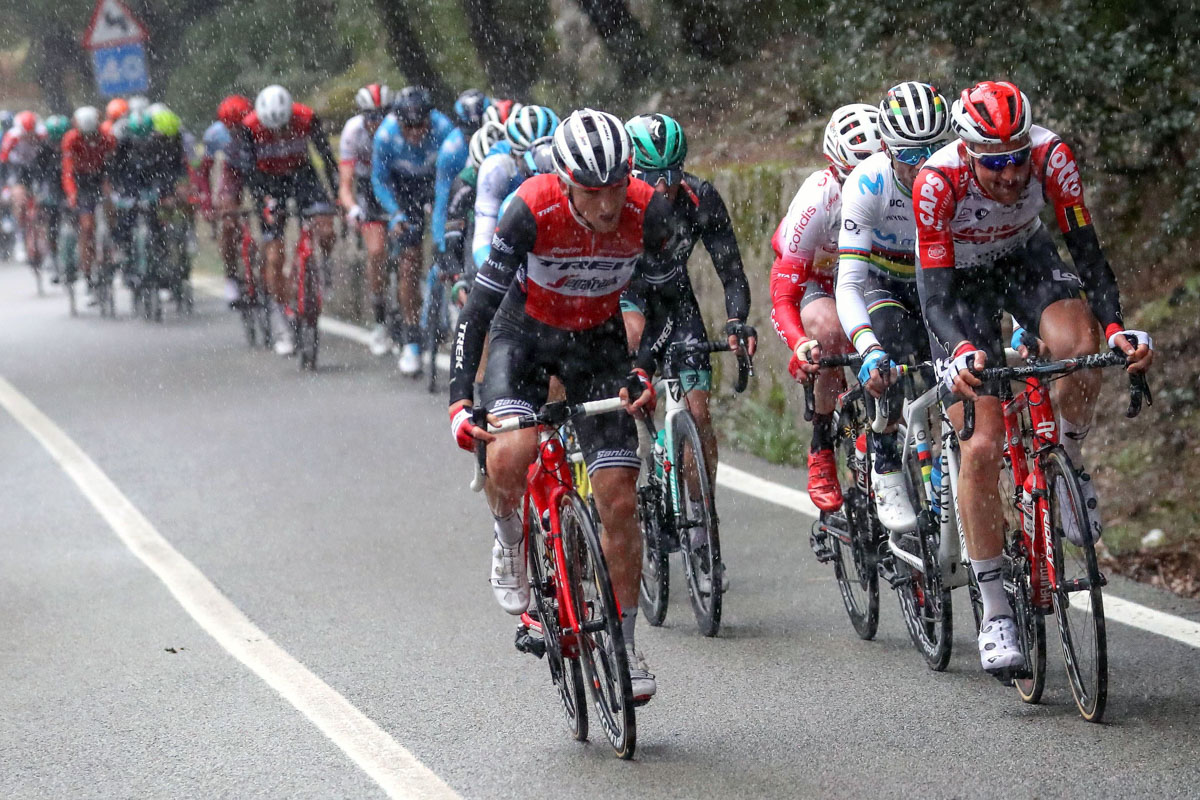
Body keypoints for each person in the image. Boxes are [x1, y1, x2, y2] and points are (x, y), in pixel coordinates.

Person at [913, 80, 1153, 674]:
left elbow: (1086, 251)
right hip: (959, 282)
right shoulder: (937, 182)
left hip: (1025, 257)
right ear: (968, 153)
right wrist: (962, 350)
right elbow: (935, 295)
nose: (1012, 175)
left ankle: (1066, 460)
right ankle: (995, 610)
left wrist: (1119, 324)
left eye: (1018, 157)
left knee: (1080, 346)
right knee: (984, 441)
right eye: (995, 163)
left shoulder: (1053, 157)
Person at [448, 108, 683, 702]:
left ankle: (624, 647)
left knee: (620, 501)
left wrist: (641, 369)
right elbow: (477, 311)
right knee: (513, 451)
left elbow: (673, 303)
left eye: (615, 187)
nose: (606, 205)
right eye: (591, 190)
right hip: (521, 336)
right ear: (565, 180)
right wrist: (459, 402)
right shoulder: (529, 208)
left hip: (596, 345)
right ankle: (509, 539)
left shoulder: (647, 208)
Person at [620, 113, 754, 593]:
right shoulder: (617, 202)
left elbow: (732, 271)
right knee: (633, 342)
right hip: (627, 295)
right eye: (653, 178)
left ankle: (701, 524)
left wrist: (736, 321)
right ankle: (637, 449)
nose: (664, 189)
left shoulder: (701, 198)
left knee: (699, 415)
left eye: (672, 175)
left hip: (676, 300)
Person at [834, 81, 951, 532]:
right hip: (882, 282)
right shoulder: (867, 182)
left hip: (933, 276)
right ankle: (883, 459)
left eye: (934, 150)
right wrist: (868, 350)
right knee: (892, 352)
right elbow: (849, 283)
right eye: (910, 155)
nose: (925, 167)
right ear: (886, 148)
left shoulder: (956, 174)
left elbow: (994, 258)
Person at [770, 103, 883, 512]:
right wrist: (800, 341)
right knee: (829, 331)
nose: (867, 185)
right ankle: (821, 445)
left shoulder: (895, 188)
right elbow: (783, 293)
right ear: (834, 169)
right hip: (818, 281)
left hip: (869, 276)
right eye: (855, 176)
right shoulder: (817, 199)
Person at [243, 85, 339, 355]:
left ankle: (324, 265)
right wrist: (264, 201)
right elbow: (249, 172)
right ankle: (280, 319)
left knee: (325, 224)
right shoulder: (250, 127)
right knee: (274, 256)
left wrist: (335, 194)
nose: (278, 134)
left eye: (283, 127)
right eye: (271, 130)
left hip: (302, 175)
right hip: (268, 182)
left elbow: (326, 157)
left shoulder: (306, 117)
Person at [370, 86, 454, 374]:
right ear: (399, 122)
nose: (417, 132)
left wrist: (443, 229)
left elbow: (450, 180)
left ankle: (449, 309)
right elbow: (379, 181)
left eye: (422, 125)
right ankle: (412, 341)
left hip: (438, 183)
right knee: (409, 261)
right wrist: (395, 214)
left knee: (450, 243)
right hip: (403, 190)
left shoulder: (444, 129)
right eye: (410, 126)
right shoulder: (385, 136)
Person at [338, 83, 395, 356]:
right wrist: (351, 208)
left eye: (383, 114)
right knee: (376, 251)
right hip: (367, 189)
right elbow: (345, 184)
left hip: (396, 184)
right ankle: (380, 319)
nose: (377, 121)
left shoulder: (398, 128)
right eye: (371, 116)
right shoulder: (353, 132)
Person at [199, 95, 255, 302]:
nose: (236, 133)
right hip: (233, 172)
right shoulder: (214, 135)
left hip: (259, 169)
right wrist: (207, 203)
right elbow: (205, 172)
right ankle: (231, 276)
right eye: (231, 129)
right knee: (229, 222)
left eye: (240, 128)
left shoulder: (258, 126)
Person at [61, 106, 115, 292]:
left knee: (112, 208)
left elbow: (115, 161)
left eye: (93, 135)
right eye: (86, 136)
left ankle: (114, 246)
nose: (90, 139)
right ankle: (87, 267)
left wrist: (112, 187)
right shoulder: (71, 139)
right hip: (81, 181)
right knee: (87, 227)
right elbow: (68, 170)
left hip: (100, 176)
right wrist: (72, 193)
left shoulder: (106, 136)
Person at [2, 111, 46, 264]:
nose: (30, 138)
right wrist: (6, 187)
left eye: (31, 134)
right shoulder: (12, 137)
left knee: (43, 204)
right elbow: (3, 163)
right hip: (17, 170)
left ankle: (43, 244)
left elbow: (48, 159)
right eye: (26, 135)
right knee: (20, 201)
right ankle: (20, 239)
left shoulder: (42, 135)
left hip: (37, 169)